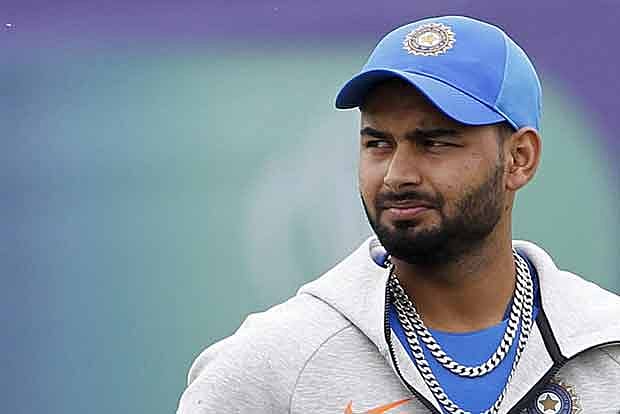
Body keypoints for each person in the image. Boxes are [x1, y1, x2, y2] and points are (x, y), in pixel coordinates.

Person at [176, 15, 620, 414]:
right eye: (378, 143)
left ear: (519, 158)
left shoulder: (607, 345)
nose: (396, 175)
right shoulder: (271, 363)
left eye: (434, 142)